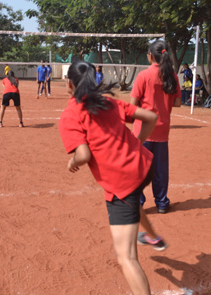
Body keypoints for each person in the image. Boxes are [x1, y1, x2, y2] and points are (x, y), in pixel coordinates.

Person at [59, 60, 166, 295]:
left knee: (126, 258)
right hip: (144, 166)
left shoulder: (70, 114)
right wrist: (136, 144)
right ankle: (153, 236)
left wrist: (72, 161)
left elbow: (83, 154)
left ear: (69, 83)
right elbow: (150, 117)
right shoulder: (108, 102)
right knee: (133, 199)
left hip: (122, 182)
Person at [130, 40, 181, 214]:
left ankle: (138, 202)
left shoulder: (143, 76)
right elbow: (178, 102)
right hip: (162, 130)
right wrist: (163, 102)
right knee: (160, 169)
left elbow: (133, 105)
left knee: (139, 168)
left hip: (143, 130)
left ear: (151, 55)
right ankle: (161, 203)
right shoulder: (172, 76)